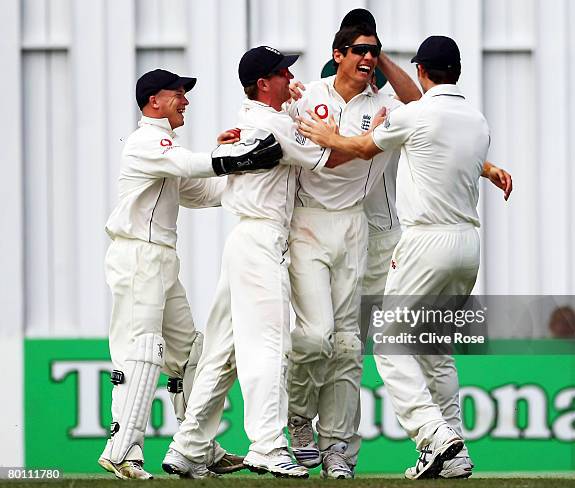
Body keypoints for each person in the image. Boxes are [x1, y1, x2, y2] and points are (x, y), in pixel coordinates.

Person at [299, 35, 503, 479]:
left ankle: (434, 435)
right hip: (468, 245)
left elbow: (358, 148)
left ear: (423, 71)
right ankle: (456, 451)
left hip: (425, 242)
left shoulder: (415, 114)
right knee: (433, 348)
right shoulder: (476, 119)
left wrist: (324, 135)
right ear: (458, 72)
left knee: (390, 344)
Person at [161, 46, 358, 479]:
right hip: (263, 241)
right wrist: (368, 138)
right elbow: (334, 157)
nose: (291, 76)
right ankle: (267, 445)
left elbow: (222, 190)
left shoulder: (257, 121)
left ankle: (188, 444)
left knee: (222, 352)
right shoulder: (273, 125)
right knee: (269, 346)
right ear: (263, 83)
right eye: (282, 73)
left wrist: (298, 105)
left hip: (243, 240)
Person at [97, 68, 282, 480]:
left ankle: (197, 447)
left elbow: (202, 191)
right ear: (154, 101)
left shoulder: (165, 150)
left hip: (161, 261)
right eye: (177, 93)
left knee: (190, 354)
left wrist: (244, 171)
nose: (185, 100)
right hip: (137, 257)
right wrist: (238, 157)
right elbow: (190, 164)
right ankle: (122, 449)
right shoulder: (146, 141)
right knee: (141, 351)